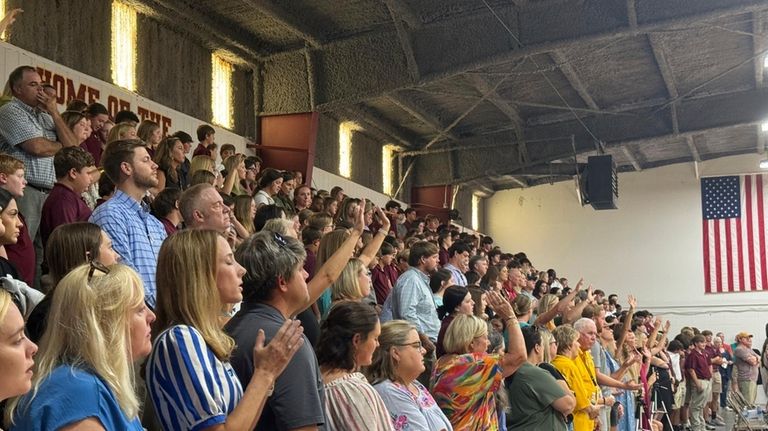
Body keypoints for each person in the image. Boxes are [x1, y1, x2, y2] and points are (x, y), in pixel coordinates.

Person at [146, 230, 304, 431]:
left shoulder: (204, 340)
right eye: (229, 262)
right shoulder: (180, 338)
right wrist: (264, 373)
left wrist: (267, 375)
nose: (242, 270)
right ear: (201, 273)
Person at [225, 205, 365, 430]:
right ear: (282, 282)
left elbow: (327, 277)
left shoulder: (233, 326)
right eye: (301, 269)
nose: (307, 274)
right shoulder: (286, 343)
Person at [6, 264, 154, 430]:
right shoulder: (81, 394)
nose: (152, 316)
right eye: (140, 310)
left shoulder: (79, 381)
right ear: (106, 325)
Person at [430, 292, 525, 430]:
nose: (488, 343)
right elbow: (519, 356)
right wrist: (510, 318)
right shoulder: (469, 365)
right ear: (471, 343)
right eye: (485, 337)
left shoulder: (445, 362)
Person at [89, 139, 167, 307]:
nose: (154, 165)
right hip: (134, 317)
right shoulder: (110, 214)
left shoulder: (156, 224)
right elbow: (124, 275)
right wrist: (164, 312)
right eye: (146, 160)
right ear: (126, 168)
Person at [25, 222, 119, 343]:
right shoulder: (50, 317)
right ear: (89, 258)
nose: (117, 256)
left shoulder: (102, 301)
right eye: (110, 247)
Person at [317, 301, 393, 430]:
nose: (378, 344)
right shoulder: (351, 390)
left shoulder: (315, 377)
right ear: (357, 340)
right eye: (375, 338)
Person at [365, 320, 453, 431]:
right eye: (416, 345)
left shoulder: (415, 384)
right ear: (396, 353)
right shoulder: (388, 392)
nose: (424, 350)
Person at [506, 326, 574, 430]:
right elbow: (567, 405)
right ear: (537, 347)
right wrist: (563, 386)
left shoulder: (510, 370)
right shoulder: (533, 373)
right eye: (543, 345)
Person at [381, 241, 441, 342]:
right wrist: (423, 340)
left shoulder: (419, 279)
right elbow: (407, 313)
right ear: (423, 259)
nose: (438, 260)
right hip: (420, 343)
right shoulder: (411, 280)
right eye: (434, 257)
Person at [39, 147, 95, 245]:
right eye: (88, 173)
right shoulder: (63, 200)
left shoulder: (68, 197)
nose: (91, 178)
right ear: (73, 173)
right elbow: (68, 241)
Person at [435, 285, 474, 357]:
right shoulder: (450, 326)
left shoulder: (461, 322)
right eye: (468, 301)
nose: (473, 303)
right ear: (456, 307)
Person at [733, 331, 760, 404]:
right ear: (740, 339)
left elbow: (759, 359)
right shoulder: (739, 349)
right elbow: (753, 362)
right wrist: (756, 359)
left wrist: (756, 358)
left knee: (751, 403)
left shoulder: (749, 349)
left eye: (749, 338)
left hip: (752, 379)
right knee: (748, 404)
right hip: (746, 379)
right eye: (746, 338)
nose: (748, 339)